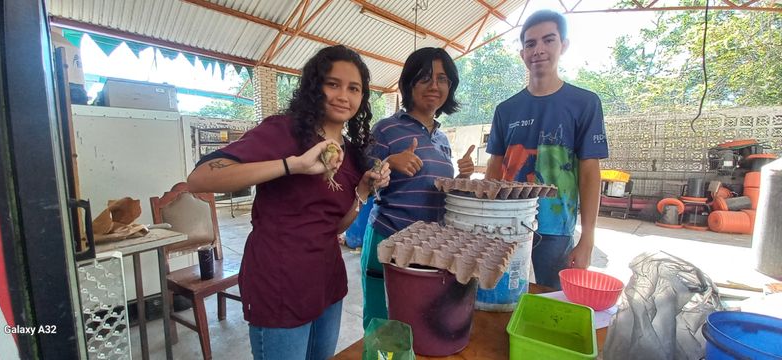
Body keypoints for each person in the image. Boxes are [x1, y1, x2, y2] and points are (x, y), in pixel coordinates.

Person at [187, 45, 391, 360]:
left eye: (354, 88)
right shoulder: (284, 131)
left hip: (327, 282)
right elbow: (200, 179)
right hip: (280, 281)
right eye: (332, 84)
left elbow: (334, 226)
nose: (343, 95)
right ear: (314, 87)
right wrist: (292, 165)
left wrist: (362, 191)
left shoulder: (350, 154)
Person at [485, 10, 609, 289]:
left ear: (563, 45)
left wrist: (587, 236)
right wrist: (486, 218)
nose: (538, 50)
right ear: (522, 53)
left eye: (548, 40)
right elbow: (494, 167)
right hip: (508, 224)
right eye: (530, 44)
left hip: (556, 227)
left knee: (552, 298)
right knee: (499, 293)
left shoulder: (584, 103)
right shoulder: (506, 110)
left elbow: (589, 173)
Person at [360, 47, 475, 329]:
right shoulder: (387, 129)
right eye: (425, 78)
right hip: (387, 239)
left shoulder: (442, 138)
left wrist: (461, 179)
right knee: (382, 323)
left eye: (443, 79)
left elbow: (436, 192)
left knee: (420, 323)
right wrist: (388, 161)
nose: (434, 86)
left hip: (428, 247)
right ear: (409, 83)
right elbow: (361, 180)